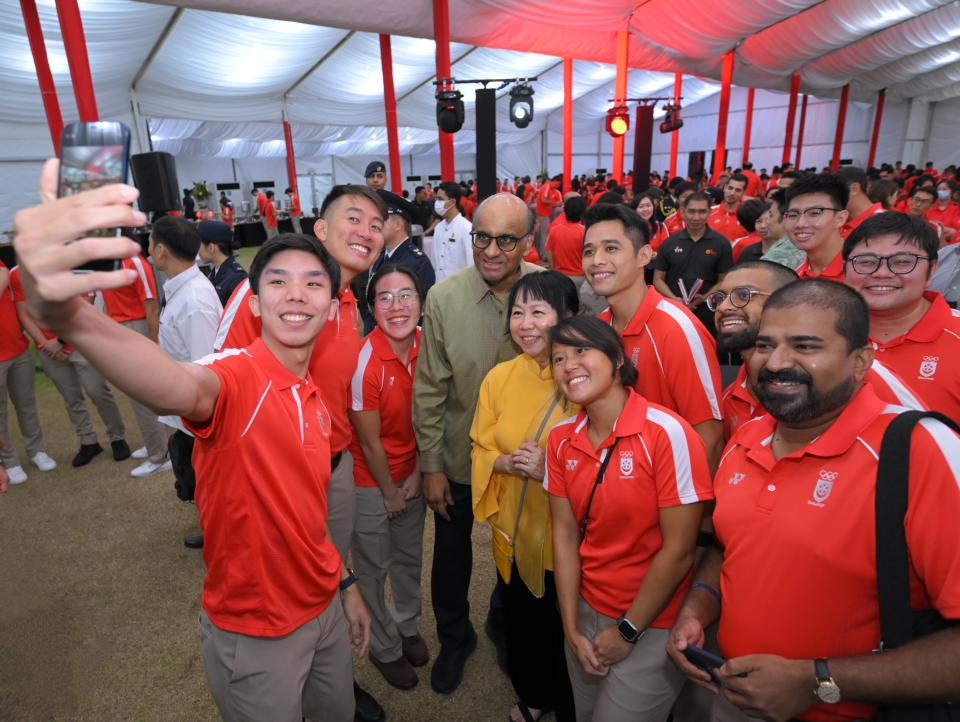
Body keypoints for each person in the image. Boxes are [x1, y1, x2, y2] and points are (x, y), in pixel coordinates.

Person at [14, 166, 373, 720]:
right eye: (276, 281)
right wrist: (72, 315)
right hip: (259, 635)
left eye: (313, 283)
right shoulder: (238, 376)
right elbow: (176, 385)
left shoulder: (312, 397)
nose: (296, 293)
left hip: (323, 610)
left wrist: (345, 585)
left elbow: (305, 515)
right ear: (254, 304)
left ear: (330, 307)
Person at [667, 278, 960, 722]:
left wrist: (817, 680)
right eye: (765, 345)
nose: (777, 362)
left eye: (805, 346)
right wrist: (697, 608)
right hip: (734, 697)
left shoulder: (918, 448)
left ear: (860, 361)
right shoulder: (746, 438)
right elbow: (731, 545)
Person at [213, 185, 388, 722]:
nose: (366, 231)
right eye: (353, 218)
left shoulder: (350, 303)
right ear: (320, 228)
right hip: (271, 482)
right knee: (284, 588)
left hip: (331, 469)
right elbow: (213, 385)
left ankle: (331, 679)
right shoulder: (268, 293)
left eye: (377, 225)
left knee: (330, 574)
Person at [546, 315, 713, 722]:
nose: (569, 365)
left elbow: (679, 551)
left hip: (652, 621)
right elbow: (565, 536)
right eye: (557, 358)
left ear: (618, 358)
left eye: (581, 350)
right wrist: (570, 628)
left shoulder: (667, 433)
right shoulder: (560, 438)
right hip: (586, 607)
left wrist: (627, 631)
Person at [413, 192, 542, 695]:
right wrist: (431, 466)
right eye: (481, 237)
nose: (490, 250)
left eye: (505, 240)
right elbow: (429, 388)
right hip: (459, 458)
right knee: (450, 556)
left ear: (528, 242)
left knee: (522, 550)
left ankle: (505, 625)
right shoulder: (443, 298)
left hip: (525, 461)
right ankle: (454, 637)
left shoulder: (546, 291)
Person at [471, 271, 579, 722]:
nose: (526, 323)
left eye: (538, 311)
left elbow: (602, 457)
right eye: (518, 312)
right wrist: (504, 463)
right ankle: (534, 696)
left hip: (568, 538)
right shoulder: (499, 377)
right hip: (513, 529)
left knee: (566, 628)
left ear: (567, 317)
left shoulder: (581, 375)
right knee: (524, 621)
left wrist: (549, 469)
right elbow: (480, 444)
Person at [709, 260, 923, 442]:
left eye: (743, 295)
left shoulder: (858, 370)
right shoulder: (729, 397)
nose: (724, 307)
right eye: (719, 298)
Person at [583, 202, 724, 471]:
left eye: (611, 248)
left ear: (644, 255)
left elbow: (709, 436)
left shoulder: (677, 329)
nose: (597, 260)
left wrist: (685, 510)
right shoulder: (597, 329)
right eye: (589, 251)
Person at [350, 265, 428, 691]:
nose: (396, 306)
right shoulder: (365, 363)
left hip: (412, 471)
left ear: (421, 300)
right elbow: (369, 442)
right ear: (371, 307)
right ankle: (383, 647)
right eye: (384, 298)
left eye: (406, 295)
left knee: (409, 558)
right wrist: (390, 492)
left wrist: (417, 472)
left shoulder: (427, 345)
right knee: (374, 567)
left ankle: (407, 624)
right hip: (371, 480)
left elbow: (431, 418)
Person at [148, 216, 222, 550]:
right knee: (201, 478)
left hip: (200, 417)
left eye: (150, 243)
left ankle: (220, 530)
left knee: (209, 478)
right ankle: (213, 523)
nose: (148, 250)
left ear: (161, 250)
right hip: (188, 412)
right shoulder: (184, 289)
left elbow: (206, 367)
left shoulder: (193, 300)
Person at [843, 212, 960, 423]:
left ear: (932, 269)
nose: (882, 273)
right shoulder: (821, 334)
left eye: (902, 261)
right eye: (867, 262)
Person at [10, 264, 131, 468]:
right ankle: (88, 441)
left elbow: (85, 303)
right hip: (48, 348)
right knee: (71, 397)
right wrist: (44, 343)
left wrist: (62, 341)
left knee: (97, 391)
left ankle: (117, 436)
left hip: (80, 341)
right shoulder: (16, 274)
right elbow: (24, 313)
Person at [101, 246, 171, 477]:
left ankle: (158, 455)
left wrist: (153, 344)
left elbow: (151, 307)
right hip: (121, 328)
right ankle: (155, 443)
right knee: (136, 393)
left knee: (143, 393)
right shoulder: (107, 260)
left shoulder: (134, 262)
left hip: (136, 326)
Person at [0, 260, 57, 484]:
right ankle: (10, 461)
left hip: (19, 349)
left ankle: (36, 451)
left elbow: (5, 275)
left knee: (27, 405)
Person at [652, 191, 733, 332]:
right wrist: (674, 299)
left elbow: (724, 280)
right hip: (673, 310)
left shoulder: (721, 243)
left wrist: (705, 297)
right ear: (683, 212)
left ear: (709, 212)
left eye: (702, 212)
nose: (696, 217)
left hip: (707, 311)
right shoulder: (669, 243)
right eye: (691, 211)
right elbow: (658, 279)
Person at [363, 190, 436, 334]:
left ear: (397, 224)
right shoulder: (381, 256)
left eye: (381, 220)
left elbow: (419, 315)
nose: (375, 225)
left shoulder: (417, 262)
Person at [783, 174, 850, 282]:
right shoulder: (794, 277)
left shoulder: (861, 272)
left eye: (814, 213)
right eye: (793, 215)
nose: (800, 224)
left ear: (840, 219)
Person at [430, 181, 473, 283]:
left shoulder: (467, 228)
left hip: (459, 289)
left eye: (440, 199)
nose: (436, 202)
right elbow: (434, 261)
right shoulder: (438, 228)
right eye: (436, 198)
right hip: (439, 287)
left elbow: (471, 265)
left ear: (452, 202)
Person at [198, 220, 247, 307]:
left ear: (211, 248)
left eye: (199, 244)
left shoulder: (236, 278)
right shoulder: (214, 273)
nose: (197, 250)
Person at [545, 195, 587, 284]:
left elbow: (549, 252)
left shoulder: (555, 230)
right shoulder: (584, 231)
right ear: (582, 212)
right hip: (580, 277)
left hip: (560, 276)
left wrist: (553, 270)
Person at [836, 166, 884, 239]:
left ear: (854, 189)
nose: (831, 199)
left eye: (835, 193)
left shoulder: (882, 223)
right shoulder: (840, 219)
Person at [707, 174, 748, 242]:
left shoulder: (747, 217)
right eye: (730, 188)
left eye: (737, 190)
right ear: (725, 188)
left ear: (743, 192)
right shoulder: (709, 211)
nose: (732, 193)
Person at [535, 175, 563, 254]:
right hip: (543, 215)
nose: (558, 186)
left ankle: (542, 254)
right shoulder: (547, 186)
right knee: (544, 236)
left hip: (543, 214)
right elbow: (543, 200)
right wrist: (555, 203)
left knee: (542, 235)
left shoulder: (548, 187)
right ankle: (544, 256)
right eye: (558, 184)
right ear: (555, 181)